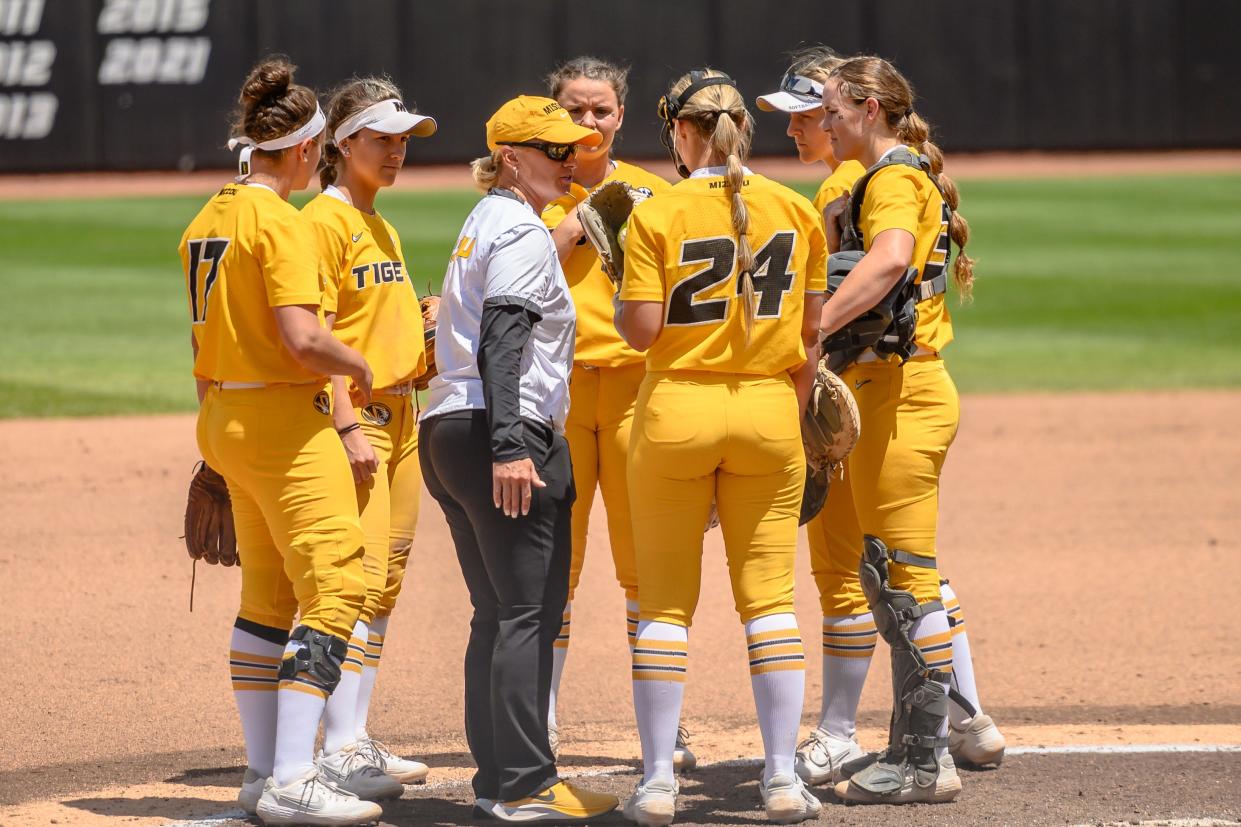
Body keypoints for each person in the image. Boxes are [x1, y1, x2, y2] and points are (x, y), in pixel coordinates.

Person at [759, 48, 1006, 788]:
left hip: (902, 395)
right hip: (881, 391)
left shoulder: (890, 177)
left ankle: (922, 756)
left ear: (867, 110)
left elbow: (890, 259)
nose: (822, 124)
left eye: (830, 110)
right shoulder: (878, 175)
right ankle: (936, 736)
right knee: (892, 573)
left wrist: (810, 330)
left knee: (903, 577)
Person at [615, 68, 826, 826]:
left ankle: (657, 784)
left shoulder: (657, 212)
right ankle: (778, 779)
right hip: (767, 408)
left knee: (664, 606)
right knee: (769, 603)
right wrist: (791, 413)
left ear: (680, 131)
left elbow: (639, 332)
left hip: (674, 407)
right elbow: (809, 335)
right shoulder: (793, 208)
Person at [181, 57, 381, 825]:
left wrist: (218, 442)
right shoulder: (283, 223)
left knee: (265, 599)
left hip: (225, 418)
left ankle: (261, 774)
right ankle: (296, 775)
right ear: (307, 148)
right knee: (336, 587)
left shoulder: (208, 218)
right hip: (284, 426)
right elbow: (303, 338)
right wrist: (354, 360)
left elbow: (202, 347)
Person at [418, 95, 619, 823]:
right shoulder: (525, 232)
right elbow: (503, 337)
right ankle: (527, 786)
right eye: (554, 149)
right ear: (510, 157)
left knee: (496, 613)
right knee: (527, 613)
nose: (572, 158)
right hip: (500, 431)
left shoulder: (484, 221)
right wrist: (510, 445)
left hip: (447, 428)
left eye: (574, 147)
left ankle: (498, 779)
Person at [538, 55, 695, 770]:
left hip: (635, 390)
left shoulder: (651, 193)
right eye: (574, 109)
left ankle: (663, 730)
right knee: (552, 569)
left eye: (600, 110)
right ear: (553, 112)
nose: (588, 122)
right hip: (560, 393)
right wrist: (575, 219)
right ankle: (536, 719)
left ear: (621, 114)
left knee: (644, 567)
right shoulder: (534, 188)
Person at [301, 75, 438, 800]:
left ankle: (352, 736)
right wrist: (346, 425)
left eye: (401, 140)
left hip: (402, 417)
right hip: (359, 423)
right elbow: (311, 339)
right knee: (349, 584)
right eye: (381, 138)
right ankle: (333, 744)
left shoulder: (377, 221)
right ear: (342, 142)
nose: (395, 152)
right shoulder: (323, 222)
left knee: (383, 585)